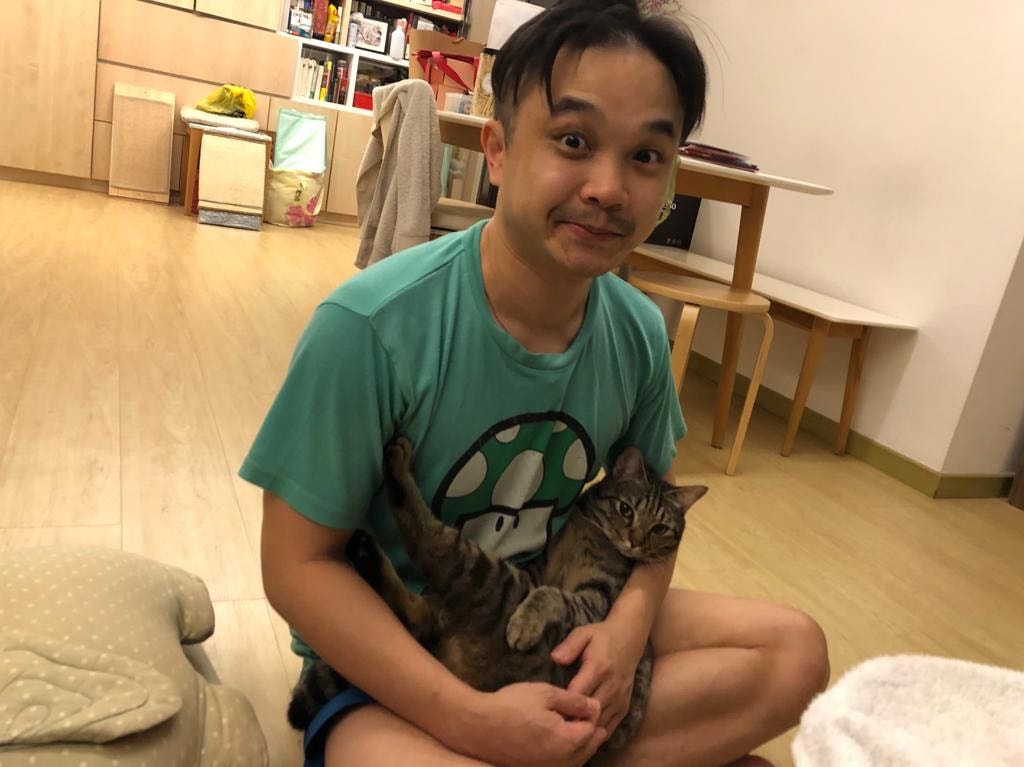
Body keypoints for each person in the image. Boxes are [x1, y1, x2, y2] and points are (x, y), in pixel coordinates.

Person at [242, 1, 830, 765]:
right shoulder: (370, 326)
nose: (608, 187)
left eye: (646, 156)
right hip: (403, 659)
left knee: (796, 654)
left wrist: (624, 632)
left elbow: (658, 518)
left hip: (551, 617)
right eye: (574, 141)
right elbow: (297, 567)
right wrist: (466, 718)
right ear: (497, 149)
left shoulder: (637, 332)